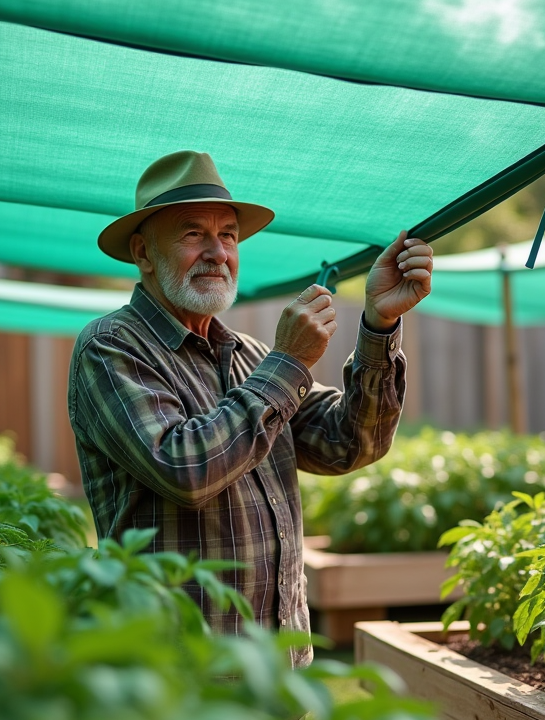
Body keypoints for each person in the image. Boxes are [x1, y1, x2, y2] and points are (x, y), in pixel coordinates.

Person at [68, 150, 432, 667]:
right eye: (193, 233)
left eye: (229, 235)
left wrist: (378, 326)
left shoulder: (252, 358)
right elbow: (184, 468)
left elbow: (352, 442)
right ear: (143, 252)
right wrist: (289, 361)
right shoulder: (111, 346)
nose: (218, 252)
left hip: (281, 676)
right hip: (177, 686)